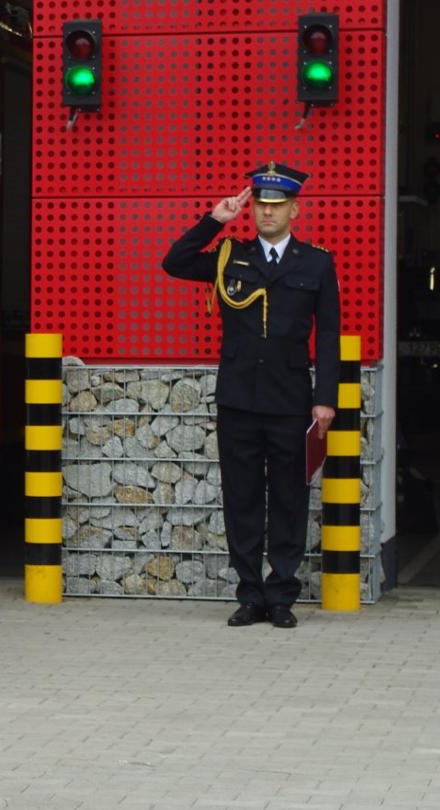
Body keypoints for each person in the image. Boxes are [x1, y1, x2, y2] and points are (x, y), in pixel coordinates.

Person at [161, 163, 339, 629]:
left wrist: (325, 399)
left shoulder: (316, 262)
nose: (267, 212)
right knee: (240, 498)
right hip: (239, 399)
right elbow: (174, 262)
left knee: (287, 497)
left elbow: (330, 336)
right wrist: (215, 219)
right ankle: (249, 594)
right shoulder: (229, 256)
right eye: (261, 204)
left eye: (277, 206)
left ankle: (281, 595)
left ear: (294, 210)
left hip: (291, 400)